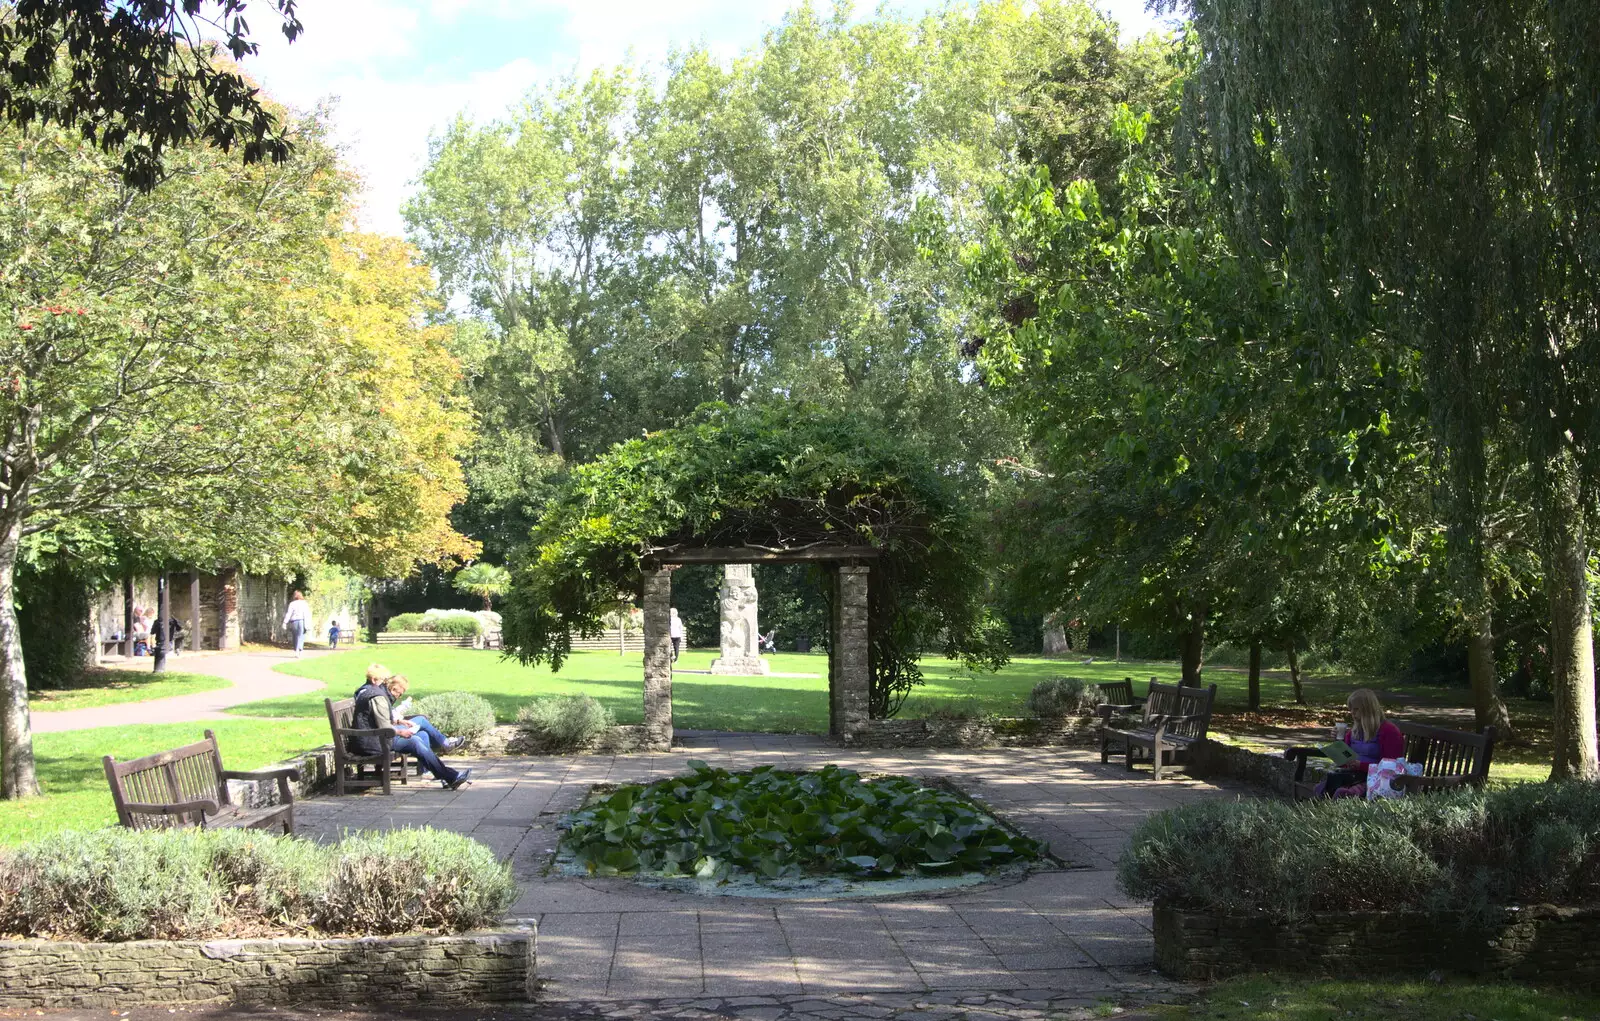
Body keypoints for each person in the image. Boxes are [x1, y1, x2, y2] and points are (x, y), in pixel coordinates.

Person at [350, 665, 471, 790]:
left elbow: (381, 721)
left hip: (377, 737)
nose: (387, 681)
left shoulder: (376, 694)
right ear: (375, 680)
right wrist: (401, 732)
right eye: (384, 679)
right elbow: (384, 726)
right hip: (373, 742)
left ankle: (446, 776)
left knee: (421, 736)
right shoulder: (377, 696)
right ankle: (449, 776)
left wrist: (399, 723)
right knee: (415, 741)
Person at [1316, 687, 1405, 798]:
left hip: (1376, 780)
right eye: (1351, 709)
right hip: (1353, 776)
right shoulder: (1354, 731)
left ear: (1368, 709)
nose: (1352, 713)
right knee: (1322, 788)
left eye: (1356, 709)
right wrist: (1338, 743)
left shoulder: (1388, 731)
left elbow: (1391, 768)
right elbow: (1344, 761)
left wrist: (1361, 766)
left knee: (1341, 793)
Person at [384, 675, 465, 752]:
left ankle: (426, 766)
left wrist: (401, 710)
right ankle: (445, 743)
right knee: (421, 720)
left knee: (424, 734)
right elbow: (387, 719)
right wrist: (399, 720)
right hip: (390, 733)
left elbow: (390, 715)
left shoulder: (386, 696)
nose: (400, 696)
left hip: (391, 729)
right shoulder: (382, 698)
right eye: (400, 693)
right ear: (394, 689)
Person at [282, 589, 312, 658]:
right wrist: (309, 624)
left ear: (294, 596)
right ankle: (300, 650)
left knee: (295, 636)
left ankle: (297, 650)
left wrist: (284, 622)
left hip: (294, 621)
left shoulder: (292, 604)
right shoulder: (304, 603)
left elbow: (289, 613)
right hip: (302, 621)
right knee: (301, 635)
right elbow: (307, 614)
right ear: (301, 595)